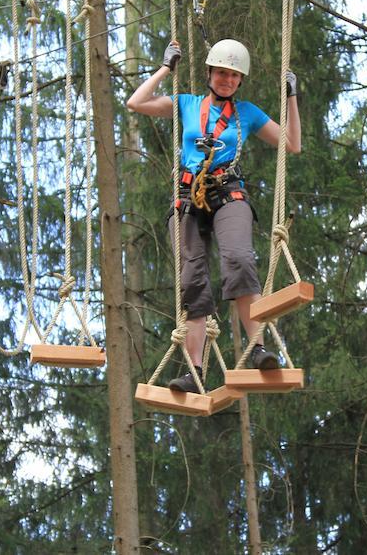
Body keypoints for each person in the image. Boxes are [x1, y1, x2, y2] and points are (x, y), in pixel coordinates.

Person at [126, 38, 301, 392]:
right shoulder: (186, 104)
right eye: (222, 72)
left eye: (234, 76)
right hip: (188, 196)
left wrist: (291, 97)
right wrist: (165, 69)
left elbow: (292, 144)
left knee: (238, 259)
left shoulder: (246, 113)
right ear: (209, 73)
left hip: (228, 192)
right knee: (192, 279)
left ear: (240, 81)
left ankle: (258, 348)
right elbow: (136, 102)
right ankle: (195, 371)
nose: (227, 80)